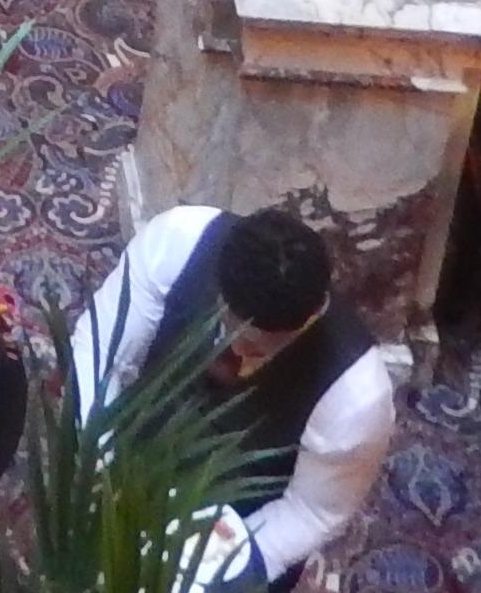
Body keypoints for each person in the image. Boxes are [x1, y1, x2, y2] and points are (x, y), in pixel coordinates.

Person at [65, 200, 405, 586]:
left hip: (238, 526)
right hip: (127, 460)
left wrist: (200, 572)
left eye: (260, 347)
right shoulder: (178, 243)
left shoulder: (356, 396)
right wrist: (104, 464)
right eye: (228, 326)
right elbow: (97, 353)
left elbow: (312, 512)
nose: (238, 350)